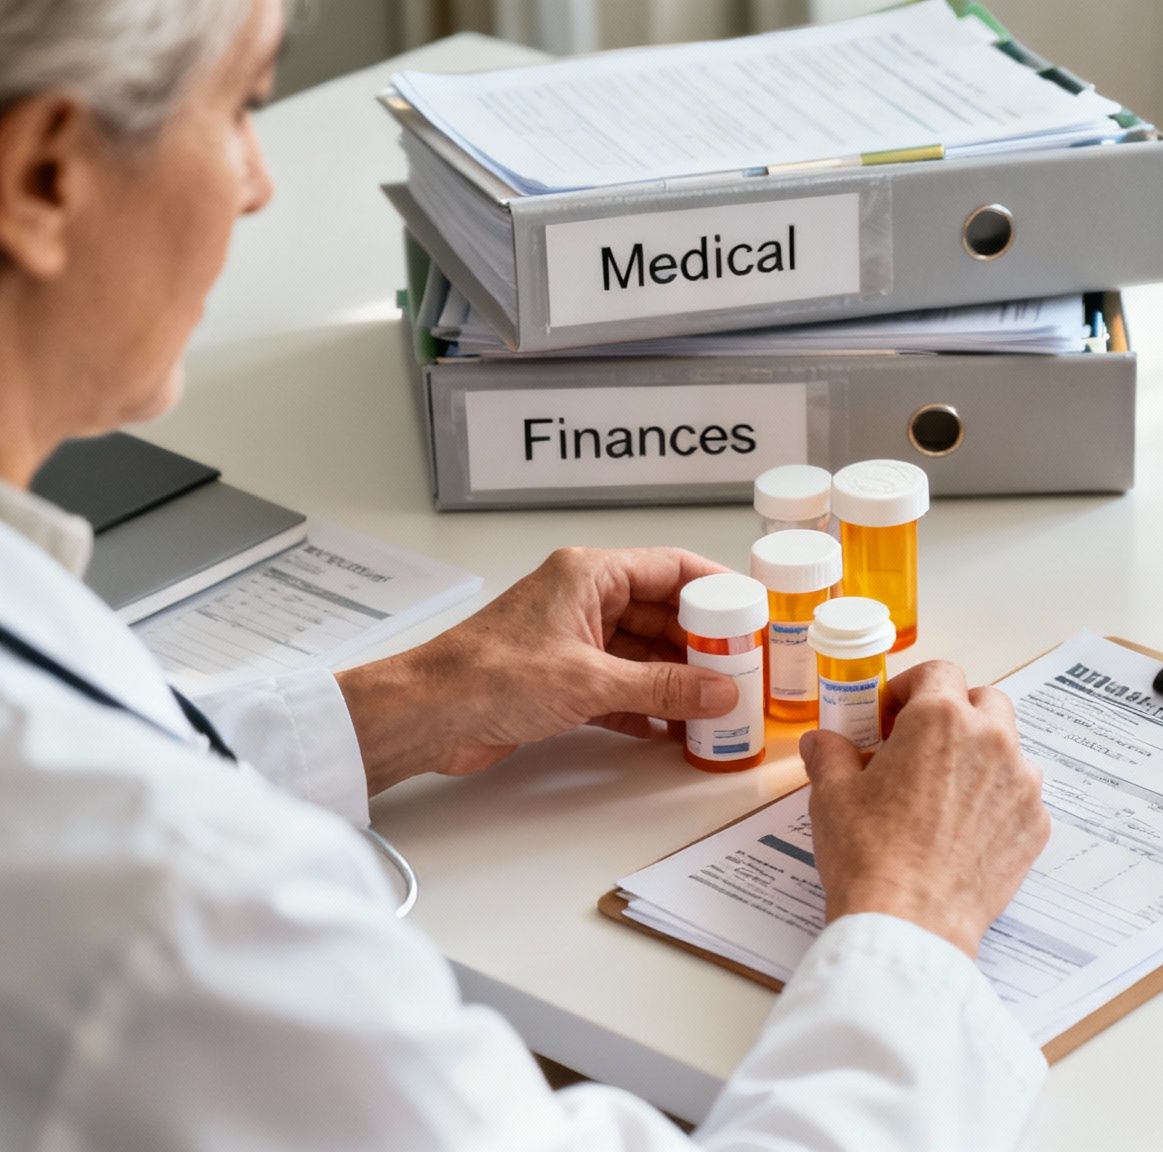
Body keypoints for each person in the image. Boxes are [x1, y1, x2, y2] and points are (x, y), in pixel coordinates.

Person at [0, 1, 1054, 1148]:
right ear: (46, 179)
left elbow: (85, 743)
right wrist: (919, 915)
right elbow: (126, 841)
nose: (257, 185)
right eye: (243, 106)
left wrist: (409, 700)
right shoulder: (181, 917)